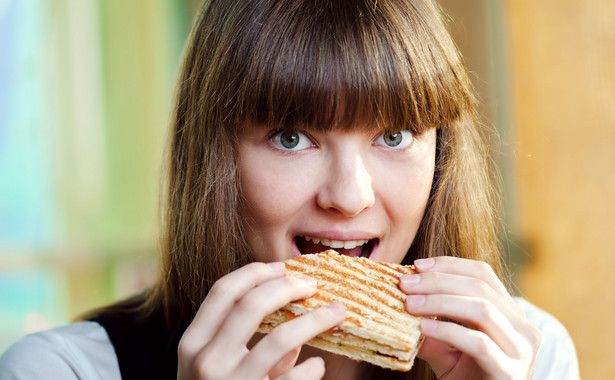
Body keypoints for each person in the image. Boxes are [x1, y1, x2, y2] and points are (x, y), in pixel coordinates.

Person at [0, 0, 579, 379]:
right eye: (290, 136)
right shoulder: (62, 370)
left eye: (395, 134)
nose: (349, 196)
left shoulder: (530, 355)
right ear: (214, 154)